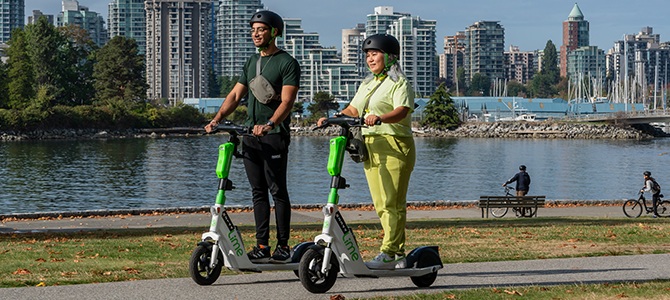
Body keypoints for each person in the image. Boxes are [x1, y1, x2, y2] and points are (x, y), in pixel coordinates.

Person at [205, 10, 300, 263]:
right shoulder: (251, 63)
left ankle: (283, 246)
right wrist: (217, 119)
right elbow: (235, 96)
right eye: (253, 30)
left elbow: (288, 101)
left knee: (277, 190)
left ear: (274, 32)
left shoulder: (287, 63)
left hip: (273, 135)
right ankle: (261, 246)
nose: (255, 34)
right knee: (258, 191)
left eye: (261, 29)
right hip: (250, 136)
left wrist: (270, 123)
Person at [318, 34, 415, 270]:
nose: (370, 59)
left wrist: (379, 117)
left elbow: (402, 110)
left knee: (392, 202)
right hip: (370, 147)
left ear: (390, 57)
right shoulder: (367, 84)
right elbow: (353, 108)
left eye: (375, 54)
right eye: (368, 55)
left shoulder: (400, 83)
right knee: (381, 203)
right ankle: (395, 252)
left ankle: (391, 252)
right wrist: (334, 118)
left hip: (394, 146)